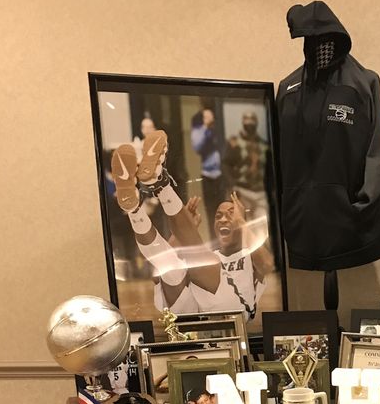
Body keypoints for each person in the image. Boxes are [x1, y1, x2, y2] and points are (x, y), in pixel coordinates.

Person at [111, 130, 270, 320]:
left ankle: (157, 184)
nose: (223, 219)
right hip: (191, 310)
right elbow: (161, 262)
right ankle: (135, 208)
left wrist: (242, 222)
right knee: (169, 267)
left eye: (231, 214)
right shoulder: (214, 256)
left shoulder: (249, 256)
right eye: (218, 215)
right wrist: (183, 232)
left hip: (233, 310)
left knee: (200, 257)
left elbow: (267, 265)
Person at [190, 105, 223, 237]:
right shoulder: (198, 131)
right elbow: (198, 147)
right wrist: (205, 127)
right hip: (207, 175)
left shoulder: (218, 130)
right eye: (206, 117)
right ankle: (214, 242)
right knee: (211, 212)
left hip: (220, 175)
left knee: (223, 210)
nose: (209, 119)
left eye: (211, 116)